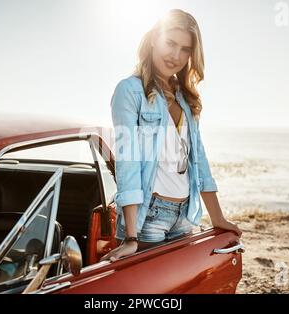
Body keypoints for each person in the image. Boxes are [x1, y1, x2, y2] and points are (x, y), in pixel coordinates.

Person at [101, 9, 242, 262]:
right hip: (149, 216)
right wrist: (131, 237)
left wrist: (217, 217)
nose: (176, 55)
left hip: (185, 214)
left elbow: (198, 159)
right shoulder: (129, 91)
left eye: (185, 49)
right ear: (154, 38)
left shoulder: (184, 96)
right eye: (170, 43)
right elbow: (127, 161)